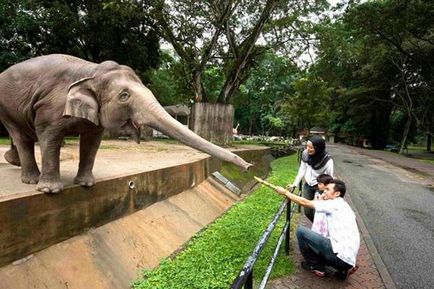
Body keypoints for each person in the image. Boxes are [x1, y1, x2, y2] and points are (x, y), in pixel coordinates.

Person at [276, 179, 359, 280]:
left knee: (301, 231)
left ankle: (315, 266)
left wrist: (285, 192)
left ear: (337, 193)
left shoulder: (334, 204)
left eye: (328, 189)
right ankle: (343, 269)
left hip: (340, 257)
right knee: (323, 240)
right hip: (349, 259)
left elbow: (304, 202)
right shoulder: (344, 206)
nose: (324, 191)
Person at [289, 135, 333, 222]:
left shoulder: (327, 161)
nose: (308, 149)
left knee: (319, 211)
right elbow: (302, 170)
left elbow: (330, 178)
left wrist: (326, 193)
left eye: (311, 147)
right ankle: (317, 227)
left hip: (320, 187)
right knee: (307, 212)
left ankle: (321, 230)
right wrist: (295, 184)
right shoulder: (305, 154)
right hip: (308, 185)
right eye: (307, 146)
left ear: (318, 148)